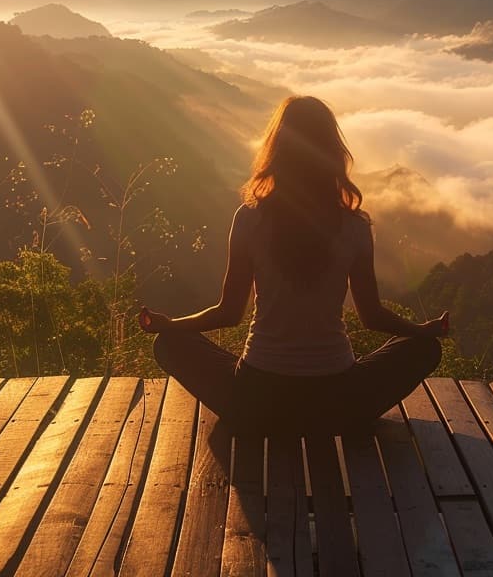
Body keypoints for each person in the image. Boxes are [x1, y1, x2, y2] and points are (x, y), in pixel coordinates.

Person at [138, 95, 448, 435]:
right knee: (425, 349)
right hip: (339, 401)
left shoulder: (249, 219)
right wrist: (422, 331)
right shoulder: (355, 226)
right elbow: (372, 316)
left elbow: (228, 313)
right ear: (332, 154)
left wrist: (171, 325)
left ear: (277, 152)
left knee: (168, 343)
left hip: (255, 401)